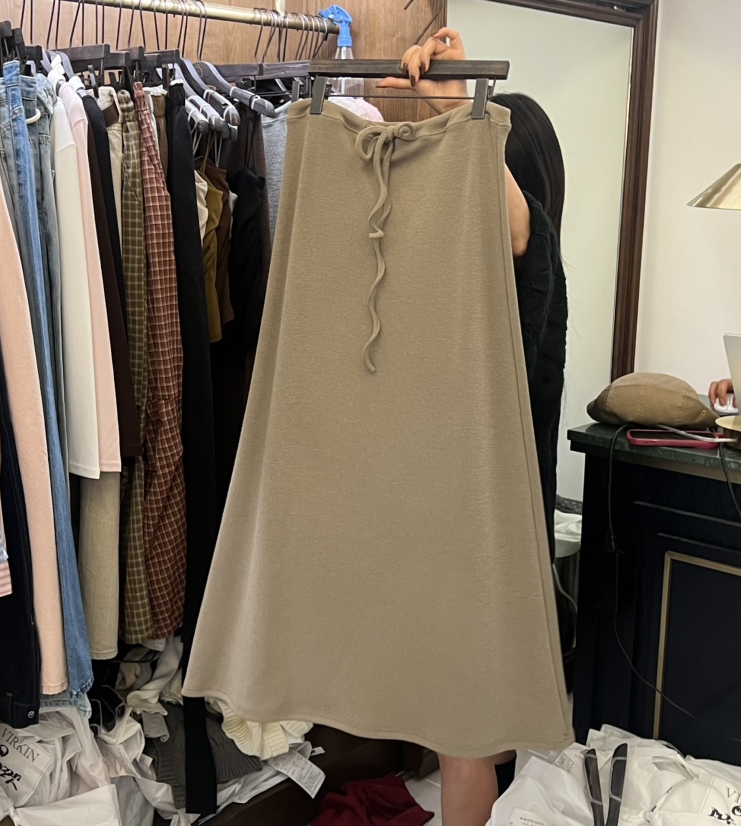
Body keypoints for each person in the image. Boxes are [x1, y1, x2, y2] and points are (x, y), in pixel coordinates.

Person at [381, 28, 569, 826]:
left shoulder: (530, 246)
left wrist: (463, 113)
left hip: (492, 528)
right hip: (489, 522)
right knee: (471, 728)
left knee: (463, 736)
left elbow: (511, 217)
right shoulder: (491, 274)